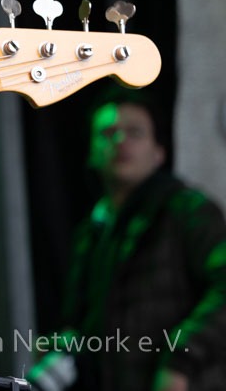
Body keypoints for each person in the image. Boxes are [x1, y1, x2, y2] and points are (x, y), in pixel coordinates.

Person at [28, 90, 226, 391]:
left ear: (159, 152)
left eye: (135, 132)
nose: (121, 141)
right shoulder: (91, 232)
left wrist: (180, 361)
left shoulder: (187, 210)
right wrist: (64, 345)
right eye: (108, 133)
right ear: (91, 152)